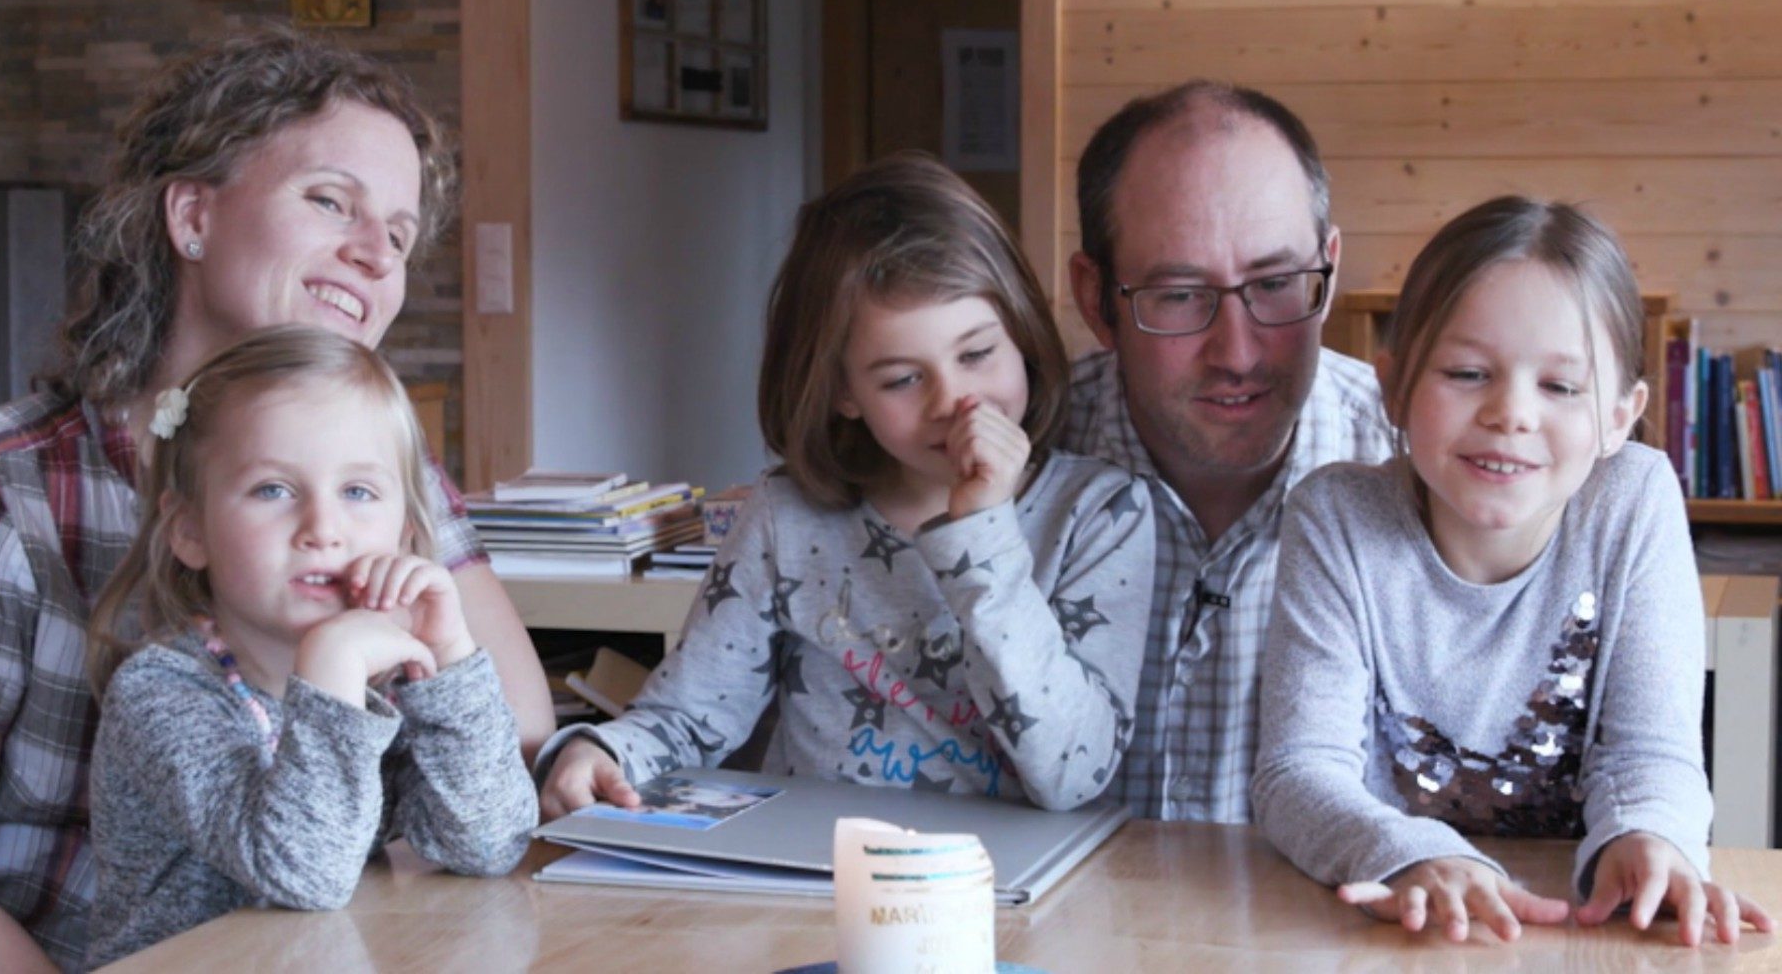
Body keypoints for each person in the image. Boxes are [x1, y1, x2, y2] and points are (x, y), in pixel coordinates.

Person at [0, 28, 551, 972]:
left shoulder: (388, 478)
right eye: (329, 202)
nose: (374, 256)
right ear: (191, 217)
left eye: (396, 234)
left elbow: (516, 730)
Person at [539, 153, 1154, 817]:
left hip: (1016, 894)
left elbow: (1072, 774)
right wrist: (601, 752)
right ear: (842, 392)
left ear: (1023, 336)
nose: (955, 401)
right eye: (901, 379)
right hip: (819, 880)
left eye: (977, 354)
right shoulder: (787, 517)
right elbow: (689, 715)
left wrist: (982, 535)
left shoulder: (1101, 513)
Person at [1252, 197, 1775, 947]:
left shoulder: (1634, 499)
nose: (1511, 412)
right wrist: (1415, 857)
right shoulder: (1336, 516)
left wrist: (1649, 839)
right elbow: (1298, 772)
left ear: (1621, 417)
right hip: (1388, 924)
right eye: (1468, 372)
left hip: (1580, 930)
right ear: (1394, 388)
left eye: (1560, 387)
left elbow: (1651, 751)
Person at [82, 327, 534, 967]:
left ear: (403, 532)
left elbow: (488, 843)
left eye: (357, 492)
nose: (323, 530)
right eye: (273, 490)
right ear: (189, 530)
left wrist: (451, 658)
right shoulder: (160, 693)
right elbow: (302, 875)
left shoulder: (384, 685)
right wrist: (332, 668)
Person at [1062, 81, 1394, 822]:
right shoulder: (1018, 461)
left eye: (1276, 284)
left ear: (1330, 267)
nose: (1237, 353)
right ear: (1095, 301)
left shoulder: (1417, 467)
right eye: (1179, 296)